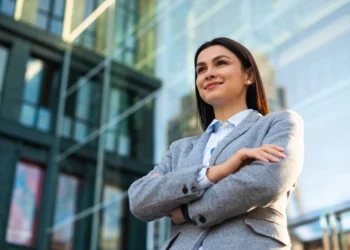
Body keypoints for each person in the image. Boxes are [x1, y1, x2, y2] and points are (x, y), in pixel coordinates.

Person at [128, 37, 304, 250]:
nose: (208, 73)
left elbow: (265, 181)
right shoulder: (179, 149)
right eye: (201, 70)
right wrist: (213, 173)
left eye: (221, 63)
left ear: (248, 75)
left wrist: (185, 211)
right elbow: (140, 200)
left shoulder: (278, 124)